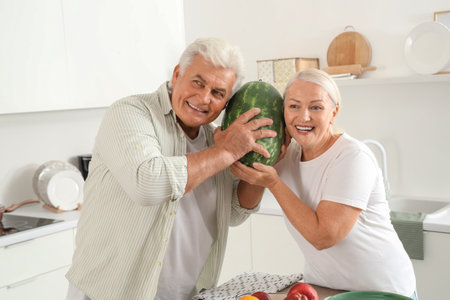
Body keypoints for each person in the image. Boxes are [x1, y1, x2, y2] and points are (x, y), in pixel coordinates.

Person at [65, 37, 278, 300]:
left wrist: (265, 160)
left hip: (186, 293)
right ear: (178, 74)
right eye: (198, 83)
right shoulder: (131, 113)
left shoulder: (216, 141)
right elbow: (147, 184)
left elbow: (232, 213)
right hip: (111, 292)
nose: (203, 98)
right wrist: (227, 152)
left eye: (218, 93)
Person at [230, 68, 418, 299]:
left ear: (334, 112)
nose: (304, 116)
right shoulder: (286, 154)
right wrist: (257, 161)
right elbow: (244, 204)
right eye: (294, 106)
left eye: (316, 107)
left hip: (381, 290)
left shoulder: (352, 157)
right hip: (323, 288)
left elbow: (324, 237)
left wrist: (274, 183)